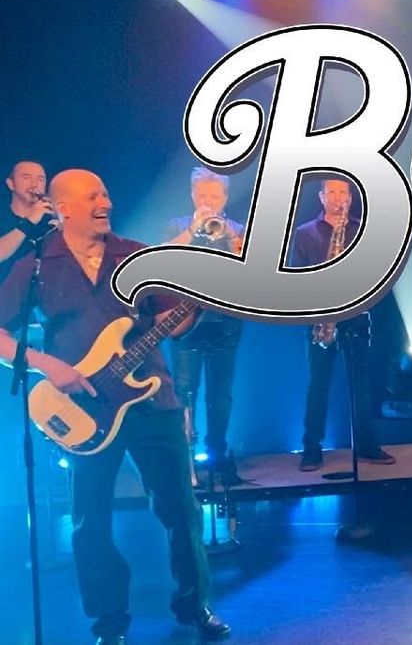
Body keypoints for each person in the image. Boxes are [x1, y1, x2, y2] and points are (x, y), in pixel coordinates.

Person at [0, 169, 229, 644]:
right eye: (92, 197)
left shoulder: (135, 256)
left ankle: (195, 605)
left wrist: (195, 305)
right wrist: (46, 364)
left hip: (152, 400)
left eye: (105, 193)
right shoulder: (37, 265)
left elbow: (171, 322)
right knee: (91, 523)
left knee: (181, 510)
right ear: (64, 208)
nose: (104, 202)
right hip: (81, 409)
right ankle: (109, 623)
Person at [292, 178, 394, 471]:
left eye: (343, 192)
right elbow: (296, 275)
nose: (338, 197)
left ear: (350, 197)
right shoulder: (305, 233)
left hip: (356, 316)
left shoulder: (362, 230)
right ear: (321, 197)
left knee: (362, 385)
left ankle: (366, 444)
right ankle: (312, 449)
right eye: (332, 192)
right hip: (321, 317)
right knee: (318, 385)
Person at [164, 167, 246, 483]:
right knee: (184, 393)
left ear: (225, 198)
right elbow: (164, 259)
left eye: (214, 196)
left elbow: (251, 267)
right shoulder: (177, 226)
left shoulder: (236, 229)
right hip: (184, 324)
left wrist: (230, 236)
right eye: (202, 195)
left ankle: (217, 454)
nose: (209, 201)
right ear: (192, 196)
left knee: (221, 395)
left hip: (226, 322)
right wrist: (193, 230)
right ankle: (184, 460)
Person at [0, 160, 55, 275]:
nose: (34, 185)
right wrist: (29, 221)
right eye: (26, 177)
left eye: (40, 179)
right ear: (11, 184)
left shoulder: (51, 222)